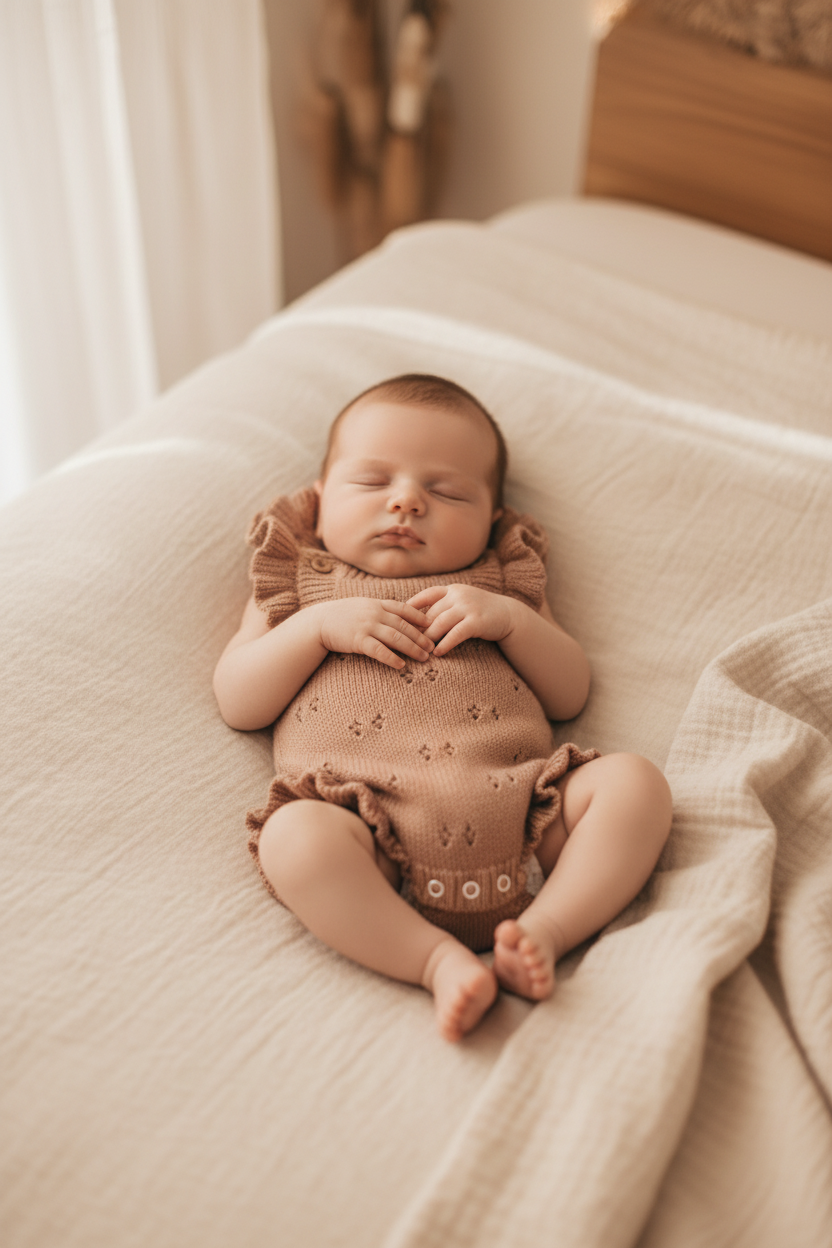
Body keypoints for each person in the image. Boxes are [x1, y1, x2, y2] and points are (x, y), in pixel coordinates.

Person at [213, 374, 672, 1041]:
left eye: (447, 491)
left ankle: (545, 928)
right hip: (369, 829)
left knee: (636, 785)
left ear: (490, 517)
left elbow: (570, 693)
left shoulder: (502, 580)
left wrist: (513, 622)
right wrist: (314, 630)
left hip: (524, 815)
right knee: (295, 840)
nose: (406, 502)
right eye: (372, 483)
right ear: (317, 503)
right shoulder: (300, 579)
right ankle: (435, 961)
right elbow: (237, 700)